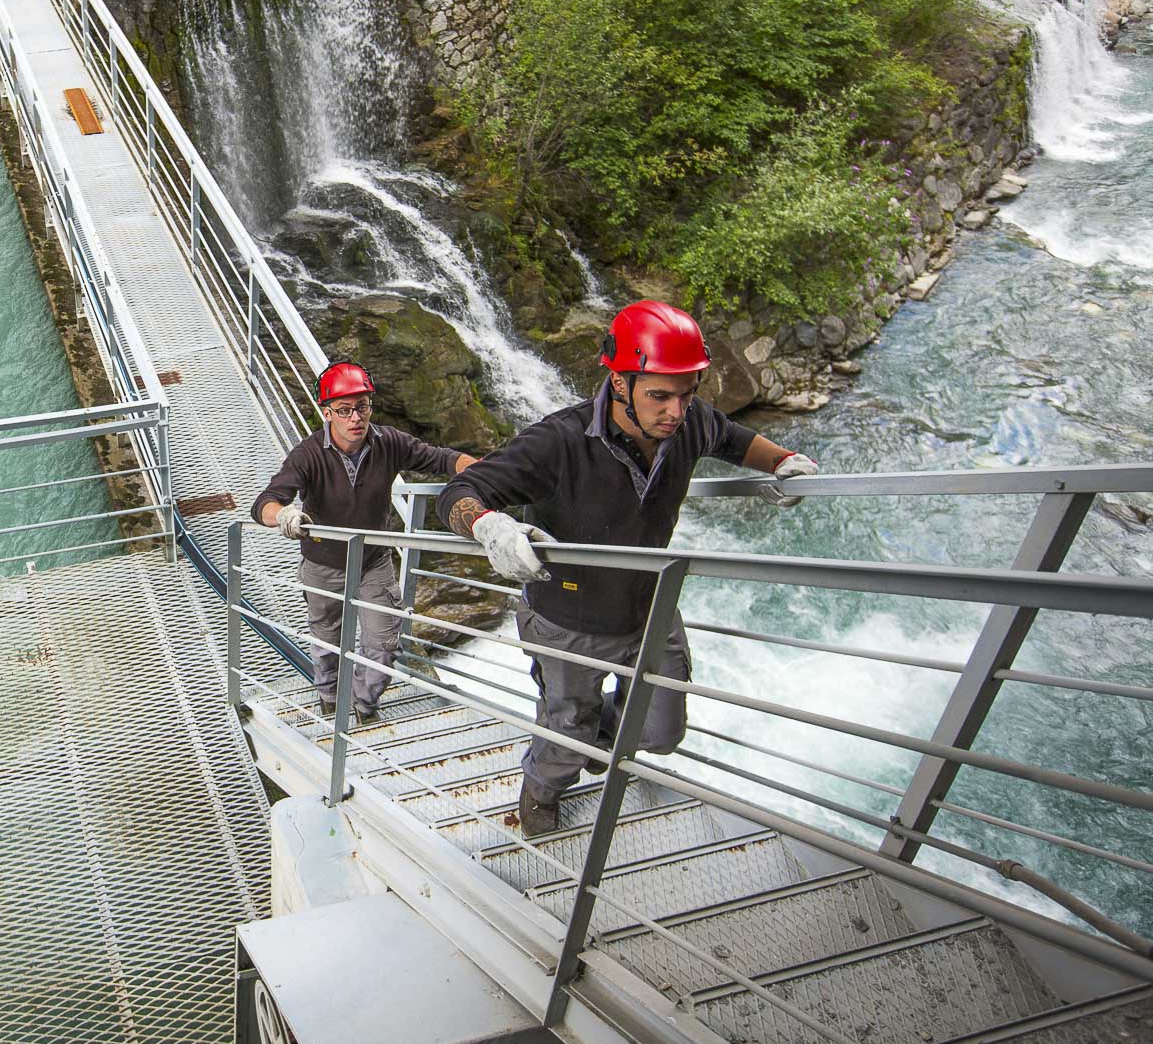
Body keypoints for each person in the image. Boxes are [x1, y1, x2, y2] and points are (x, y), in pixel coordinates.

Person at [434, 300, 819, 834]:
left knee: (661, 733)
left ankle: (602, 737)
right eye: (659, 395)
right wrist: (488, 526)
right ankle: (540, 792)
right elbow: (461, 490)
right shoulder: (557, 442)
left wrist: (780, 460)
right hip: (568, 620)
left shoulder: (690, 423)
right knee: (566, 730)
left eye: (686, 395)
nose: (675, 412)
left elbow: (732, 439)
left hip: (650, 609)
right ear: (618, 383)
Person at [253, 362, 479, 723]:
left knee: (385, 641)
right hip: (323, 565)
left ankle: (362, 703)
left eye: (363, 406)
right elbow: (265, 501)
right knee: (327, 638)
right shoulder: (308, 455)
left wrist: (489, 472)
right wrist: (282, 515)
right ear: (327, 413)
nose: (356, 417)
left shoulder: (388, 442)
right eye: (344, 410)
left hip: (374, 561)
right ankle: (329, 696)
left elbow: (441, 458)